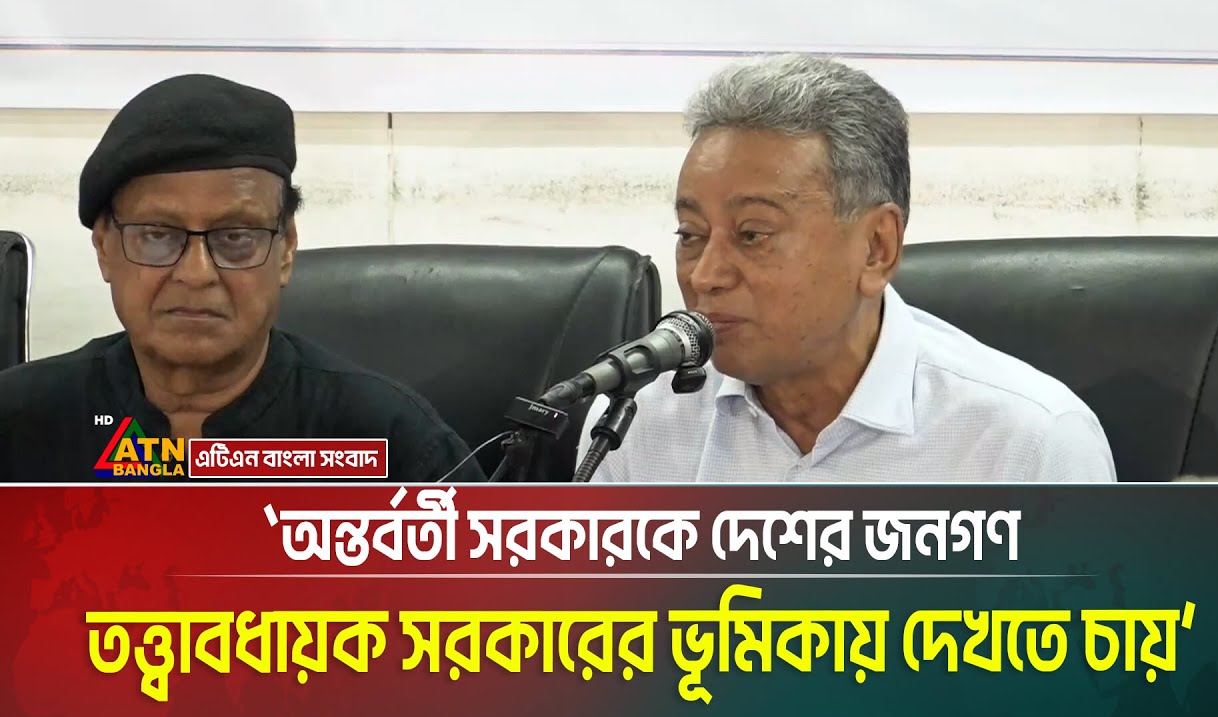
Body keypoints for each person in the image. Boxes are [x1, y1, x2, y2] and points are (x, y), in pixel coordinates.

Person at [578, 54, 1116, 483]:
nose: (705, 276)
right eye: (691, 235)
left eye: (752, 234)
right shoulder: (632, 424)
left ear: (876, 248)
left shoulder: (1028, 445)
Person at [0, 73, 484, 484]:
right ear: (104, 247)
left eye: (235, 236)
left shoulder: (390, 441)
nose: (196, 274)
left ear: (286, 248)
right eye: (158, 235)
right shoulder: (19, 423)